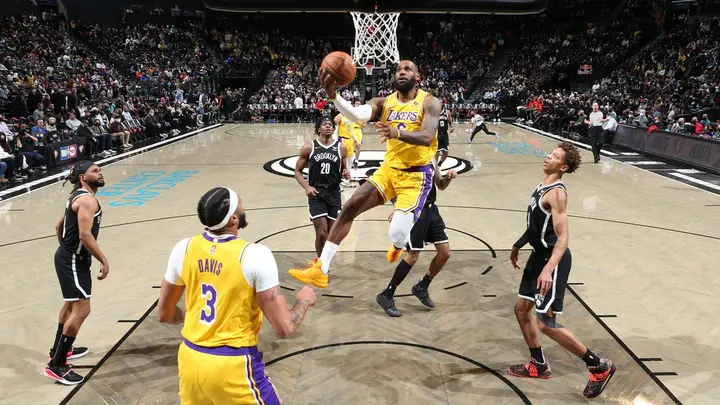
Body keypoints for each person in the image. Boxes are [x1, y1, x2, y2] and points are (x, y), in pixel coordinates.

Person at [289, 60, 441, 288]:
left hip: (416, 177)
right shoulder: (384, 103)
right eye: (399, 69)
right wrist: (333, 95)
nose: (402, 72)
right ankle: (322, 268)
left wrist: (396, 133)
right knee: (351, 205)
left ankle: (399, 245)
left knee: (397, 234)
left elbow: (428, 137)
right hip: (389, 170)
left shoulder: (430, 102)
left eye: (408, 69)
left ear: (417, 77)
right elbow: (357, 113)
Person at [158, 187, 317, 405]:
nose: (244, 208)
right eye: (241, 205)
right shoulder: (255, 254)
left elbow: (164, 314)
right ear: (233, 218)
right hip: (232, 365)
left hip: (190, 361)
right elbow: (284, 327)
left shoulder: (183, 248)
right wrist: (303, 301)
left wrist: (194, 318)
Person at [508, 142, 615, 399]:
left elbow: (563, 237)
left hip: (551, 262)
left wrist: (548, 270)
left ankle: (598, 366)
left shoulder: (557, 193)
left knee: (545, 323)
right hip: (537, 258)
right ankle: (538, 364)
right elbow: (536, 225)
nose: (548, 156)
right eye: (550, 153)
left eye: (554, 156)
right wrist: (518, 244)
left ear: (563, 167)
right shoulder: (541, 186)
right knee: (522, 309)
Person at [44, 161, 108, 385]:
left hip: (69, 257)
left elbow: (58, 225)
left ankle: (58, 350)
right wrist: (103, 260)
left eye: (100, 170)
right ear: (83, 177)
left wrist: (64, 249)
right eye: (94, 171)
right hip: (73, 259)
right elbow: (84, 235)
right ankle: (56, 365)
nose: (100, 173)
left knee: (70, 306)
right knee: (82, 309)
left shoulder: (76, 196)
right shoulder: (87, 200)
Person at [376, 157, 457, 317]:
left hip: (432, 211)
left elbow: (440, 184)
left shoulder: (432, 157)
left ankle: (422, 287)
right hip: (414, 211)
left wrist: (448, 177)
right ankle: (386, 294)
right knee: (412, 256)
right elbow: (392, 186)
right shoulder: (405, 155)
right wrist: (399, 208)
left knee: (445, 252)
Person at [295, 117, 350, 262]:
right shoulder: (309, 147)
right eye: (325, 124)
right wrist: (307, 187)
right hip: (316, 193)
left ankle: (325, 261)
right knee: (321, 232)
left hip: (334, 193)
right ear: (318, 129)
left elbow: (344, 168)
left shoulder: (341, 148)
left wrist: (345, 173)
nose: (328, 126)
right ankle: (320, 263)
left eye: (330, 125)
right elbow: (297, 172)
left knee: (331, 233)